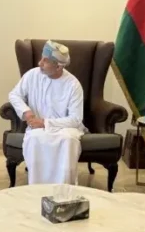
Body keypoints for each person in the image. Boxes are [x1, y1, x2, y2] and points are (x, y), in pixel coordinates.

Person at [8, 40, 87, 185]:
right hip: (37, 128)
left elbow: (76, 119)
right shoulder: (32, 75)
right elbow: (14, 95)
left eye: (45, 61)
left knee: (68, 140)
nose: (40, 63)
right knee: (35, 138)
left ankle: (64, 189)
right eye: (41, 58)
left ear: (58, 66)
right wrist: (27, 112)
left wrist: (45, 123)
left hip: (66, 128)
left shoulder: (73, 85)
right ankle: (37, 188)